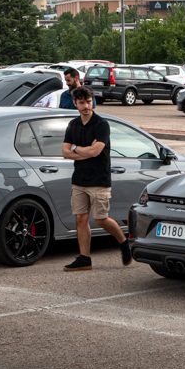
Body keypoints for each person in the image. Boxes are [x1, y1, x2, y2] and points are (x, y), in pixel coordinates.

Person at [61, 87, 129, 271]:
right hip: (79, 180)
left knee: (100, 219)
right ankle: (85, 258)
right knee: (81, 219)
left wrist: (77, 149)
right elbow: (65, 152)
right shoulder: (73, 125)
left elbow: (96, 151)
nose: (86, 106)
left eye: (89, 101)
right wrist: (83, 151)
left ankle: (123, 242)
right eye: (82, 102)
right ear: (75, 103)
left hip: (99, 179)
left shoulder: (101, 124)